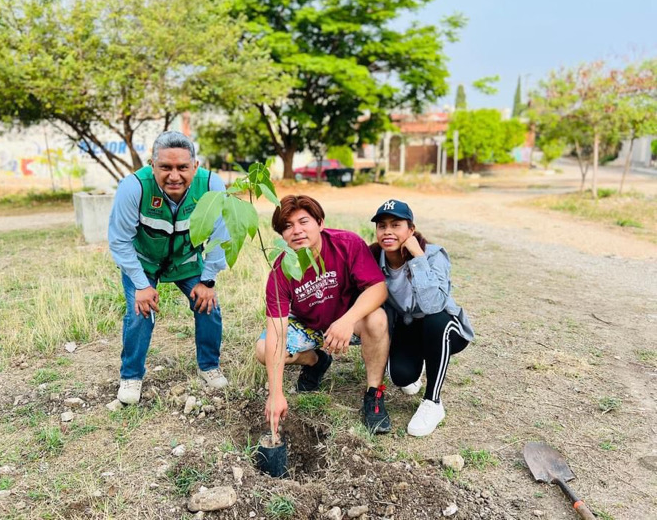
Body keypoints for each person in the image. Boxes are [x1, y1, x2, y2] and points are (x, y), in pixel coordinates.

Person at [108, 131, 230, 404]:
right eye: (165, 167)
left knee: (208, 306)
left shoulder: (212, 185)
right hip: (144, 262)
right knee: (140, 312)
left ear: (195, 166)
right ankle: (131, 376)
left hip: (187, 261)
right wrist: (141, 285)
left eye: (182, 168)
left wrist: (208, 281)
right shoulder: (134, 187)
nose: (174, 176)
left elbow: (221, 237)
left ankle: (208, 367)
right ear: (153, 165)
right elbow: (119, 240)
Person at [255, 195, 392, 435]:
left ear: (320, 223)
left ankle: (374, 395)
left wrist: (347, 321)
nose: (296, 231)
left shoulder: (346, 243)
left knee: (377, 318)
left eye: (303, 221)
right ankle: (316, 361)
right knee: (262, 348)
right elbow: (277, 331)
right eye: (288, 226)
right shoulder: (280, 271)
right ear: (282, 236)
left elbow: (378, 289)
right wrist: (276, 394)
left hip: (349, 320)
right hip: (309, 326)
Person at [369, 199, 474, 437]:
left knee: (435, 320)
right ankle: (414, 370)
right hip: (409, 327)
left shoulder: (434, 255)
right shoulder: (374, 258)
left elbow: (433, 305)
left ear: (411, 230)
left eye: (396, 225)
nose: (387, 231)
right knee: (402, 377)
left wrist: (417, 257)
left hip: (445, 329)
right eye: (382, 226)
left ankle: (433, 402)